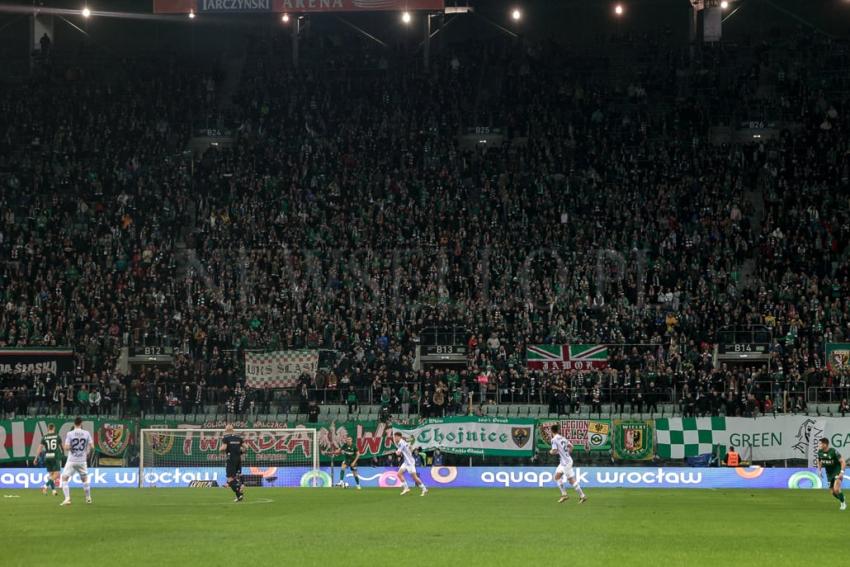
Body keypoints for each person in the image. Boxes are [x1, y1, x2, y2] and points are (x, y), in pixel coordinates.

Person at [549, 423, 587, 504]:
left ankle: (581, 496)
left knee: (571, 480)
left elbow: (554, 451)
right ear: (558, 430)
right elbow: (571, 446)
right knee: (556, 476)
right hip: (566, 461)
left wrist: (551, 452)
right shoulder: (563, 438)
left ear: (551, 431)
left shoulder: (554, 439)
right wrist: (567, 454)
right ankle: (566, 495)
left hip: (565, 463)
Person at [60, 417, 93, 506]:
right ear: (81, 423)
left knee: (64, 478)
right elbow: (92, 446)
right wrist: (87, 452)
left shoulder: (70, 434)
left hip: (72, 460)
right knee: (85, 479)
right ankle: (88, 498)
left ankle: (67, 499)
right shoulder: (86, 433)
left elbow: (66, 447)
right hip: (82, 460)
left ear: (74, 423)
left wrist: (72, 447)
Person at [393, 431, 427, 496]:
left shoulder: (401, 443)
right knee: (399, 474)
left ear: (399, 437)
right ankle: (406, 488)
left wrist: (396, 452)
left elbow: (398, 453)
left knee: (415, 478)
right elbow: (410, 448)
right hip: (406, 461)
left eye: (395, 437)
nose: (395, 438)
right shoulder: (402, 442)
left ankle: (424, 488)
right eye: (394, 437)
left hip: (410, 462)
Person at [816, 437, 846, 511]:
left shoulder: (833, 451)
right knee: (832, 492)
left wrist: (842, 472)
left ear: (825, 444)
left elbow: (843, 461)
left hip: (837, 471)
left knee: (836, 489)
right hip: (829, 473)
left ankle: (843, 503)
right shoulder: (820, 452)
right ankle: (841, 496)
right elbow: (819, 461)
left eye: (820, 443)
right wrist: (819, 471)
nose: (819, 445)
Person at [34, 423, 62, 496]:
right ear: (54, 428)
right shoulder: (57, 436)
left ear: (48, 428)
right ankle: (45, 486)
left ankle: (53, 491)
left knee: (51, 475)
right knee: (57, 474)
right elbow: (60, 446)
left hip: (47, 457)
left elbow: (39, 448)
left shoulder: (44, 437)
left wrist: (36, 458)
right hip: (54, 457)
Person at [219, 424, 245, 502]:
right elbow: (246, 447)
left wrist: (220, 449)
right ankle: (241, 486)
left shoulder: (226, 438)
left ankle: (239, 493)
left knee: (230, 478)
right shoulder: (239, 438)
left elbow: (223, 448)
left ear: (226, 430)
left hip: (230, 459)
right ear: (233, 430)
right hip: (238, 459)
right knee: (237, 475)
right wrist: (239, 451)